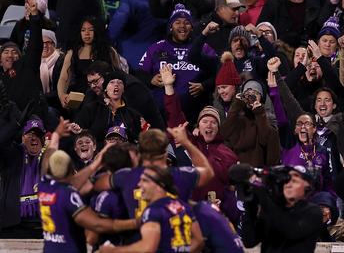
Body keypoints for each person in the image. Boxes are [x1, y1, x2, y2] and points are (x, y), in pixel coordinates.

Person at [161, 64, 239, 201]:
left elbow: (229, 185)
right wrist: (169, 88)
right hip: (189, 207)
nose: (209, 124)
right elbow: (175, 116)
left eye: (214, 122)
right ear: (198, 126)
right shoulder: (191, 142)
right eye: (205, 121)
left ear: (218, 128)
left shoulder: (228, 154)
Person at [39, 150, 138, 253]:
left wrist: (96, 163)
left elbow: (70, 181)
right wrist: (136, 223)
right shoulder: (68, 195)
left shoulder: (43, 186)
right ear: (70, 170)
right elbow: (96, 226)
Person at [98, 165, 204, 252]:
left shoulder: (153, 211)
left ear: (159, 185)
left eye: (145, 181)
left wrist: (113, 251)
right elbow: (198, 241)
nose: (139, 184)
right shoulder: (183, 206)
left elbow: (147, 248)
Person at [241, 165, 323, 253]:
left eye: (294, 181)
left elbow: (291, 231)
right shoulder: (272, 208)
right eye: (286, 181)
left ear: (308, 186)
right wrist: (250, 207)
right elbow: (249, 242)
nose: (288, 185)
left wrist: (263, 195)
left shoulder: (313, 211)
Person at [57, 17, 123, 109]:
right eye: (83, 30)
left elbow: (119, 75)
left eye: (90, 30)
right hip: (80, 99)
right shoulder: (72, 53)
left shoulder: (109, 51)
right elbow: (64, 78)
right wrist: (62, 95)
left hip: (105, 97)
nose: (86, 33)